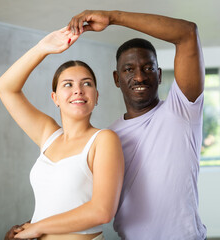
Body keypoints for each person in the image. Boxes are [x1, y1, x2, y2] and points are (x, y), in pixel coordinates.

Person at [67, 10, 206, 240]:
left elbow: (188, 33)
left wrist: (113, 18)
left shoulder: (182, 111)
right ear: (116, 78)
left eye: (148, 68)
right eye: (129, 69)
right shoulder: (107, 138)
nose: (140, 77)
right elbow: (80, 197)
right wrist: (37, 224)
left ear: (159, 75)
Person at [0, 27, 124, 240]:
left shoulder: (103, 140)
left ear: (96, 95)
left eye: (87, 83)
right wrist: (42, 49)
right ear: (55, 98)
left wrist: (36, 227)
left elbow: (102, 211)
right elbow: (5, 87)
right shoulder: (48, 134)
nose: (78, 90)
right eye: (68, 84)